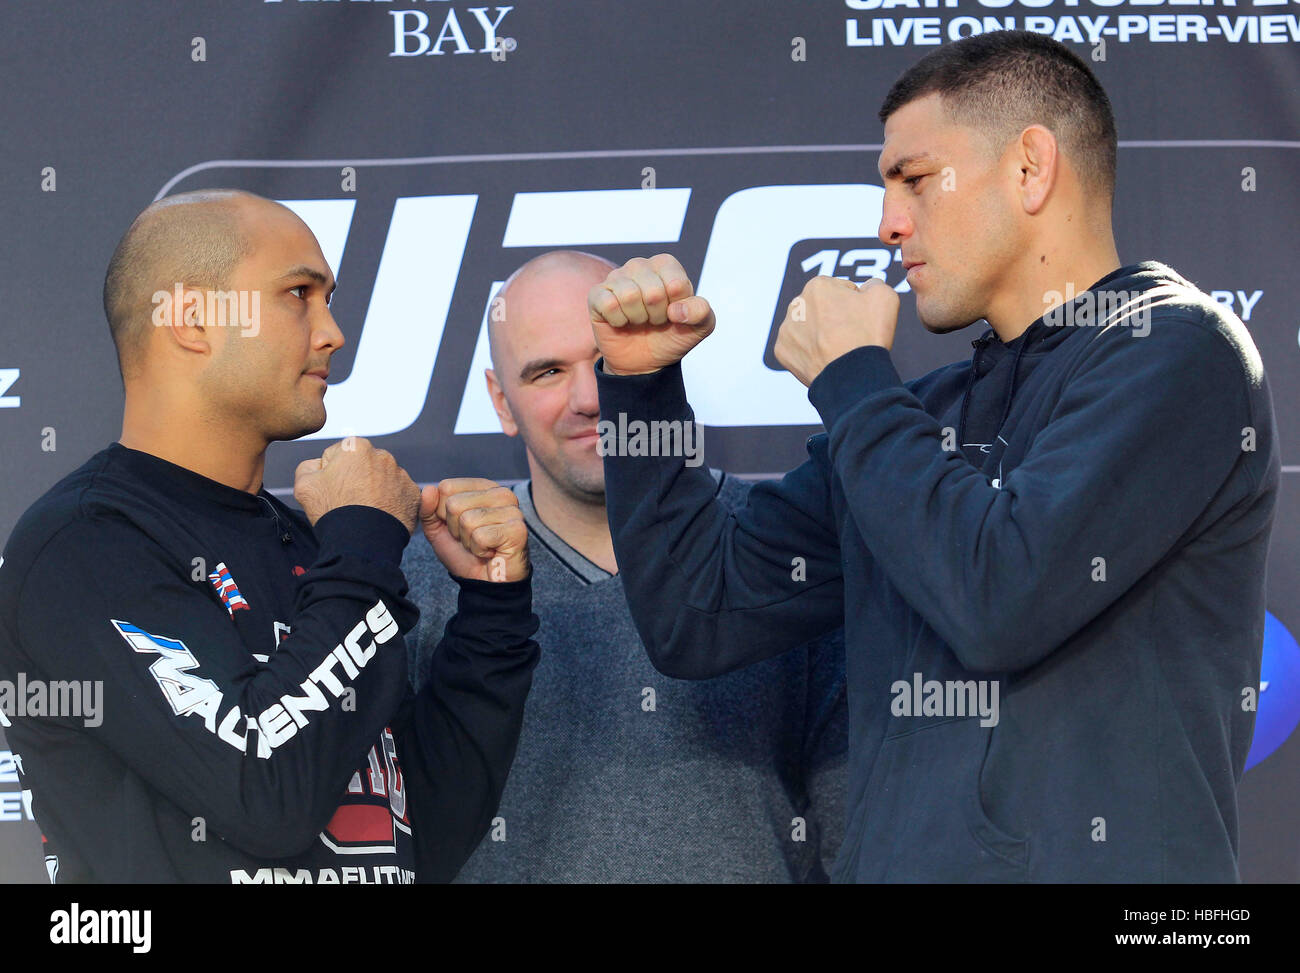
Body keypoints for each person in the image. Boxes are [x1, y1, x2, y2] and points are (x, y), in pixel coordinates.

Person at [586, 32, 1279, 882]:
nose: (887, 224)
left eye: (913, 179)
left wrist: (852, 380)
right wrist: (640, 388)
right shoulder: (923, 415)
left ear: (1031, 168)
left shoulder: (1179, 350)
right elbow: (696, 610)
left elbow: (1001, 596)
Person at [0, 190, 540, 883]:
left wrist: (492, 616)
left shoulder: (320, 553)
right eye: (299, 294)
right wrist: (365, 543)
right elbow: (262, 790)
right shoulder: (83, 546)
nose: (333, 331)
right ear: (193, 319)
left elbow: (420, 838)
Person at [402, 250, 848, 882]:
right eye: (548, 372)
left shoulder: (782, 548)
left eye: (607, 362)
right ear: (501, 402)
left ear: (662, 359)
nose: (591, 399)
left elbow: (859, 828)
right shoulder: (431, 580)